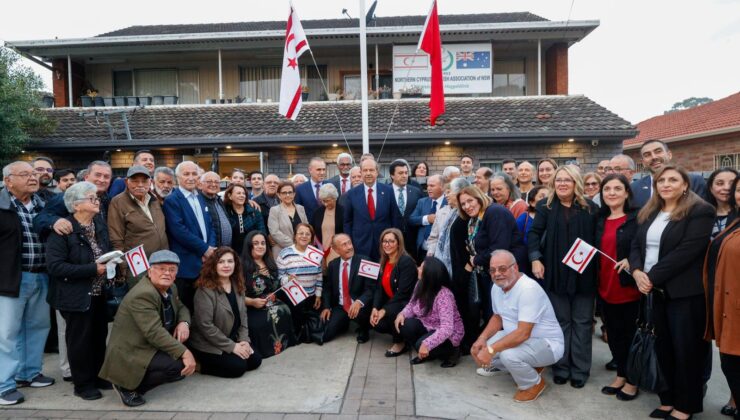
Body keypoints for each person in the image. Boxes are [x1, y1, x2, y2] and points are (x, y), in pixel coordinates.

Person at [629, 165, 714, 419]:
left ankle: (685, 406)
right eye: (661, 180)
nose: (666, 184)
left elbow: (687, 251)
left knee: (686, 351)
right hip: (653, 291)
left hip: (684, 294)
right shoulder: (649, 211)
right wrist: (636, 272)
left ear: (685, 184)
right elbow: (635, 245)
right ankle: (667, 399)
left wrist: (650, 278)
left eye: (673, 180)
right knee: (662, 347)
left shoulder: (701, 211)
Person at [528, 165, 598, 388]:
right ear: (553, 183)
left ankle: (580, 370)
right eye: (559, 180)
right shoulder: (545, 206)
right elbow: (534, 233)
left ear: (575, 182)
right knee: (561, 323)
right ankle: (561, 366)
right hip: (555, 273)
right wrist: (535, 258)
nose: (562, 184)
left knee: (583, 322)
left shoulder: (590, 208)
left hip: (584, 274)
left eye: (567, 180)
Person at [99, 250, 195, 407]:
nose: (167, 273)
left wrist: (184, 322)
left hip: (149, 343)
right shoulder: (143, 294)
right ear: (150, 271)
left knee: (179, 362)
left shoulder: (171, 287)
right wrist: (185, 353)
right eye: (161, 268)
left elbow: (181, 307)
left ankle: (141, 377)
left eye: (171, 270)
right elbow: (154, 333)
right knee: (178, 365)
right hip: (133, 350)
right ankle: (127, 386)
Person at [46, 181, 112, 400]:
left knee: (98, 336)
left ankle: (98, 376)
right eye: (92, 198)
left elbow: (104, 250)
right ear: (76, 205)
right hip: (75, 295)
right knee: (79, 341)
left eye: (96, 198)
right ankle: (82, 384)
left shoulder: (98, 224)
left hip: (98, 292)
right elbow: (55, 267)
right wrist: (93, 268)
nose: (97, 201)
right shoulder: (63, 230)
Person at [471, 250, 564, 403]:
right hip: (522, 339)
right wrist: (481, 339)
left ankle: (533, 384)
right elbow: (498, 316)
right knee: (484, 347)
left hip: (547, 344)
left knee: (508, 355)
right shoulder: (497, 287)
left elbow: (522, 334)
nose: (497, 274)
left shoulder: (528, 289)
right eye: (493, 270)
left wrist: (492, 350)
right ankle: (526, 367)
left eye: (502, 268)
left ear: (515, 267)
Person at [0, 161, 54, 406]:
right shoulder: (1, 204)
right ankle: (4, 385)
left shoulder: (42, 204)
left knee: (37, 327)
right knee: (7, 333)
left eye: (34, 174)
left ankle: (29, 373)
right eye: (26, 174)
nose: (33, 178)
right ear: (8, 180)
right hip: (11, 277)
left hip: (41, 275)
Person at [594, 174, 641, 401]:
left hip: (628, 289)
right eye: (607, 189)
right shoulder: (599, 219)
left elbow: (644, 247)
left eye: (617, 188)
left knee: (631, 336)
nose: (611, 193)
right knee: (613, 336)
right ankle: (621, 375)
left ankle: (632, 380)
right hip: (605, 287)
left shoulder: (637, 218)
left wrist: (633, 261)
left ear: (626, 193)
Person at [457, 185, 527, 321]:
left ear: (479, 198)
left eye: (470, 201)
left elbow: (499, 248)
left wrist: (476, 260)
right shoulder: (475, 219)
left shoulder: (495, 212)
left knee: (502, 316)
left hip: (508, 271)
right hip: (490, 272)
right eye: (463, 204)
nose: (467, 206)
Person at [189, 247, 262, 377]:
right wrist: (232, 347)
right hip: (207, 342)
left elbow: (243, 315)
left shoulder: (237, 283)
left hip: (231, 336)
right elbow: (205, 326)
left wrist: (244, 340)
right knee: (238, 368)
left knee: (255, 360)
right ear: (214, 265)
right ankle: (200, 365)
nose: (226, 265)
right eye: (221, 262)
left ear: (235, 264)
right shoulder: (205, 289)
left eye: (230, 261)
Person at [704, 175, 740, 420]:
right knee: (729, 361)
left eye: (732, 185)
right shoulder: (726, 222)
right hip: (721, 297)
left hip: (733, 299)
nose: (729, 190)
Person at [163, 161, 216, 311]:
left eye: (194, 174)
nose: (191, 177)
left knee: (204, 308)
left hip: (205, 263)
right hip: (187, 265)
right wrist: (205, 249)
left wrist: (210, 249)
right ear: (178, 177)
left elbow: (210, 225)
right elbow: (179, 231)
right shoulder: (172, 200)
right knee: (186, 308)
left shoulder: (200, 197)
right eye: (186, 174)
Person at [395, 256, 464, 368]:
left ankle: (453, 352)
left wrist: (427, 344)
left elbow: (447, 328)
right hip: (428, 325)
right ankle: (425, 352)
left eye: (421, 268)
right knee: (405, 325)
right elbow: (412, 304)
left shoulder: (444, 295)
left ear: (429, 274)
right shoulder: (420, 284)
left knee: (420, 345)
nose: (418, 269)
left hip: (449, 333)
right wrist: (402, 314)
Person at [107, 166, 169, 284]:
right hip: (137, 264)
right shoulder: (117, 202)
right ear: (126, 182)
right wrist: (124, 267)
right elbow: (116, 238)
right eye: (135, 180)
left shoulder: (154, 198)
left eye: (144, 181)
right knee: (141, 297)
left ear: (150, 182)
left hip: (161, 259)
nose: (140, 184)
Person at [241, 230, 296, 357]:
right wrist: (252, 302)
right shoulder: (242, 266)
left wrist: (287, 280)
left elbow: (276, 285)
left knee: (285, 310)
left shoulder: (270, 262)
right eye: (256, 243)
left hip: (273, 302)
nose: (260, 246)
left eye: (263, 243)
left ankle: (282, 345)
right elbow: (236, 295)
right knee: (259, 323)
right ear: (249, 245)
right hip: (253, 306)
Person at [34, 160, 112, 241]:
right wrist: (54, 221)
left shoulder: (108, 200)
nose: (102, 180)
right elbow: (39, 219)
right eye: (98, 175)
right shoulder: (68, 196)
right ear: (86, 177)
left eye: (106, 177)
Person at [370, 228, 418, 357]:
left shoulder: (405, 262)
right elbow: (379, 288)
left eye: (391, 241)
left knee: (392, 311)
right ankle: (401, 334)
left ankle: (400, 343)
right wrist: (375, 308)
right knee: (376, 322)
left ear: (398, 243)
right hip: (392, 301)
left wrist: (384, 310)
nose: (387, 244)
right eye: (384, 241)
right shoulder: (384, 260)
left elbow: (403, 293)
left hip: (405, 303)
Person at [343, 158, 402, 261]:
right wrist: (350, 242)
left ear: (377, 172)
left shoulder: (388, 191)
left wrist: (394, 241)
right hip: (360, 245)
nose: (368, 173)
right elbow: (347, 221)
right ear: (361, 172)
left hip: (384, 245)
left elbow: (395, 218)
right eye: (365, 170)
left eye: (371, 170)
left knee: (383, 275)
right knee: (363, 276)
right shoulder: (352, 194)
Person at [321, 234, 374, 343]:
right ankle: (343, 323)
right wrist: (326, 307)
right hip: (341, 307)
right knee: (325, 335)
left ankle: (364, 330)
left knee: (361, 313)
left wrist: (359, 302)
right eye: (344, 245)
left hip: (358, 305)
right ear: (336, 249)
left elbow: (371, 288)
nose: (349, 247)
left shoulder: (366, 261)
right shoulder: (332, 265)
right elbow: (328, 288)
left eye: (349, 242)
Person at [276, 223, 323, 340]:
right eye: (301, 233)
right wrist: (288, 279)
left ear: (311, 237)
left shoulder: (315, 253)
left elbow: (319, 276)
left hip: (311, 296)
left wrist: (318, 295)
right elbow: (279, 278)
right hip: (293, 298)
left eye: (308, 234)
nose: (304, 236)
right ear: (295, 236)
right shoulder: (285, 254)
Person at [631, 140, 707, 207]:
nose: (654, 157)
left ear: (669, 155)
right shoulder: (634, 188)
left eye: (658, 151)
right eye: (647, 155)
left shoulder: (694, 181)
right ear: (643, 162)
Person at [389, 160, 423, 257]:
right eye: (400, 173)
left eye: (406, 173)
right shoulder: (385, 191)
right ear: (392, 175)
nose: (404, 176)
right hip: (392, 241)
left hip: (412, 240)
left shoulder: (416, 192)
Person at [410, 174, 446, 261]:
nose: (428, 188)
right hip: (423, 250)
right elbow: (411, 220)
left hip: (441, 251)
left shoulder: (449, 202)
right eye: (428, 185)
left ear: (442, 187)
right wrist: (427, 219)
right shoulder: (422, 202)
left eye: (432, 186)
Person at [268, 181, 308, 257]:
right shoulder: (274, 210)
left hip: (302, 250)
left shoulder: (301, 208)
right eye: (284, 193)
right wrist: (295, 245)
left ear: (294, 194)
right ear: (279, 195)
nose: (288, 195)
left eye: (290, 192)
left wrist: (301, 244)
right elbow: (274, 232)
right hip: (282, 251)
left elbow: (307, 228)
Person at [224, 184, 265, 256]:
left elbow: (262, 231)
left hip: (252, 251)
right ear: (230, 196)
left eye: (244, 193)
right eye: (238, 193)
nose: (242, 195)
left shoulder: (254, 212)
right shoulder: (225, 211)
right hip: (231, 251)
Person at [311, 183, 343, 263]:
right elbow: (312, 229)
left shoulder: (343, 211)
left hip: (338, 250)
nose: (325, 204)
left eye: (327, 201)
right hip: (321, 250)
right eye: (323, 201)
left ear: (335, 198)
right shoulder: (317, 212)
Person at [199, 171, 233, 248]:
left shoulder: (219, 199)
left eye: (216, 182)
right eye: (209, 182)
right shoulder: (198, 201)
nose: (213, 184)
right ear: (201, 184)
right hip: (210, 249)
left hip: (225, 248)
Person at [705, 168, 738, 239]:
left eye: (732, 184)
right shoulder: (703, 214)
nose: (727, 188)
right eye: (720, 183)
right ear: (711, 188)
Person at [295, 157, 327, 222]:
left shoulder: (330, 185)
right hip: (309, 228)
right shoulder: (300, 189)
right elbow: (298, 212)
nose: (322, 172)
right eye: (318, 170)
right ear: (310, 170)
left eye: (324, 169)